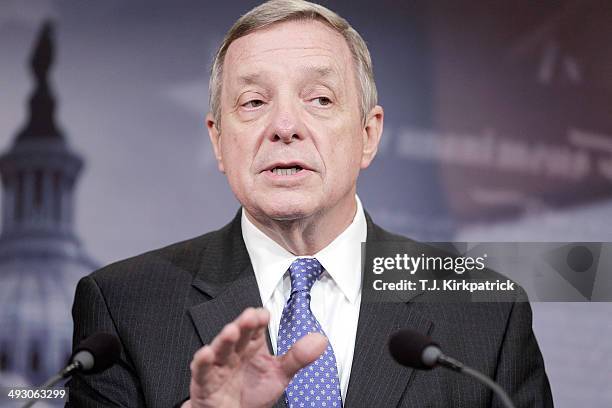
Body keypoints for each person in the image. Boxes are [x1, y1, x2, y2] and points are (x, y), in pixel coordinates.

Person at [67, 1, 553, 407]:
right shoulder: (124, 307)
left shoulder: (485, 308)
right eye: (253, 102)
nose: (285, 126)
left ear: (368, 134)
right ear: (218, 141)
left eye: (319, 99)